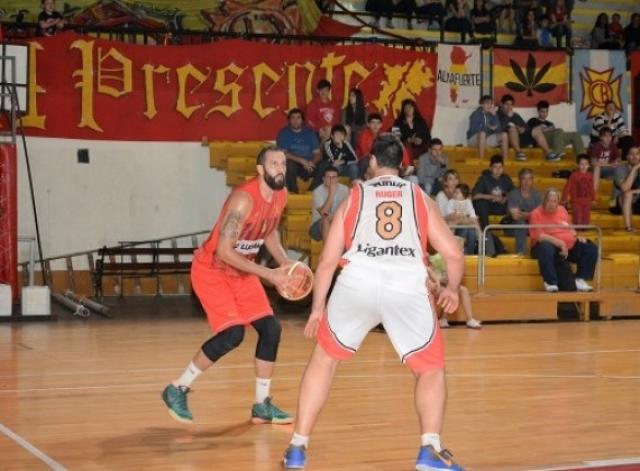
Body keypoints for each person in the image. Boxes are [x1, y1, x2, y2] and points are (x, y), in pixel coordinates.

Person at [282, 134, 466, 471]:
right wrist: (452, 288)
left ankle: (297, 447)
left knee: (324, 360)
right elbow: (453, 253)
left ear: (372, 162)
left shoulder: (356, 194)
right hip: (406, 285)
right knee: (429, 370)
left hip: (357, 282)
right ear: (403, 165)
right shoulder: (420, 196)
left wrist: (317, 309)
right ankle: (430, 449)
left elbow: (327, 261)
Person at [161, 146, 294, 425]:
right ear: (260, 169)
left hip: (241, 271)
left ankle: (261, 405)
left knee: (271, 329)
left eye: (283, 163)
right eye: (273, 164)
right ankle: (178, 388)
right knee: (233, 334)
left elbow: (269, 230)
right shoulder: (243, 200)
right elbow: (223, 251)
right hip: (213, 269)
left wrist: (283, 262)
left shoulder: (281, 195)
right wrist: (269, 274)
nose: (280, 168)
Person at [529, 189, 597, 292]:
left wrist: (576, 236)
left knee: (590, 248)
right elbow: (539, 236)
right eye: (549, 200)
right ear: (544, 201)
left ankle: (580, 279)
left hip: (567, 247)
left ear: (558, 202)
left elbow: (569, 226)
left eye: (554, 201)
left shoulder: (562, 210)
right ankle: (550, 282)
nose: (551, 204)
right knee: (545, 246)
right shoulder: (535, 213)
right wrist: (560, 243)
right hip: (546, 246)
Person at [428, 252, 482, 329]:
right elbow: (429, 275)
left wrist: (450, 280)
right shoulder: (433, 258)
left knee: (463, 289)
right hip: (432, 286)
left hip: (443, 285)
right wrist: (440, 280)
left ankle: (470, 319)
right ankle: (443, 319)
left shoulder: (452, 259)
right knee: (449, 291)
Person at [497, 95, 558, 161]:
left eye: (511, 104)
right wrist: (508, 117)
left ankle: (548, 153)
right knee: (512, 128)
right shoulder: (497, 114)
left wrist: (523, 129)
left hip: (519, 139)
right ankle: (518, 152)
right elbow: (498, 129)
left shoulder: (515, 115)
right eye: (507, 104)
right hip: (506, 141)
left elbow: (526, 127)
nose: (509, 107)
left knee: (536, 130)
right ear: (501, 104)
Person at [276, 108, 321, 193]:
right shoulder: (283, 133)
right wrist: (301, 161)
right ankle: (294, 193)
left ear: (302, 120)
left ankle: (310, 192)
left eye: (298, 118)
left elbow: (318, 153)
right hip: (294, 165)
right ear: (289, 120)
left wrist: (312, 163)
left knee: (326, 166)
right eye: (293, 118)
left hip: (309, 165)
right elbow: (283, 153)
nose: (295, 120)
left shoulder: (310, 133)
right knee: (289, 164)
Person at [437, 170, 478, 255]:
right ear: (445, 182)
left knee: (471, 230)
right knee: (467, 228)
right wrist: (460, 218)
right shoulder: (441, 196)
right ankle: (461, 254)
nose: (454, 181)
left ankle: (470, 256)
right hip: (447, 228)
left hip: (461, 225)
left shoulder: (464, 196)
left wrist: (462, 218)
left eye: (456, 178)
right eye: (450, 179)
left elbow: (470, 216)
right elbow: (442, 218)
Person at [505, 168, 543, 255]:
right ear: (520, 180)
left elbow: (540, 216)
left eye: (529, 179)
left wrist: (526, 215)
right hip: (512, 226)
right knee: (521, 224)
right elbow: (515, 216)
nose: (526, 182)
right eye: (524, 178)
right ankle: (520, 254)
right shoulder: (513, 194)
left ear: (532, 180)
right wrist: (531, 215)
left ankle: (538, 254)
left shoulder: (537, 195)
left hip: (532, 226)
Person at [472, 154, 515, 229]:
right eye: (495, 167)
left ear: (503, 168)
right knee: (480, 203)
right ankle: (486, 230)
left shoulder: (506, 178)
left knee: (514, 200)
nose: (498, 170)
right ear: (490, 168)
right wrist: (492, 197)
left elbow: (514, 193)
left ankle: (508, 223)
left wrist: (505, 198)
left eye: (500, 167)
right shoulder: (484, 178)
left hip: (502, 206)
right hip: (488, 207)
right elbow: (475, 196)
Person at [309, 166, 350, 242]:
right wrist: (331, 193)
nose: (331, 180)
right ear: (323, 179)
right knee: (326, 219)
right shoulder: (317, 192)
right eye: (328, 177)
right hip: (318, 226)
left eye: (334, 177)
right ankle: (328, 248)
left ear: (338, 179)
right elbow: (324, 213)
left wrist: (335, 217)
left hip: (338, 222)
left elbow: (348, 210)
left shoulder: (345, 190)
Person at [610, 146, 640, 232]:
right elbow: (625, 188)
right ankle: (629, 227)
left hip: (636, 201)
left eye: (637, 154)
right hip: (616, 203)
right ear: (627, 157)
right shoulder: (620, 168)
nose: (634, 156)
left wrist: (633, 191)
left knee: (629, 193)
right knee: (627, 194)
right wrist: (634, 169)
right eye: (631, 154)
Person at [467, 95, 505, 160]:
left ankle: (505, 160)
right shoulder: (476, 114)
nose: (489, 105)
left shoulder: (492, 114)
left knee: (504, 135)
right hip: (473, 139)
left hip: (486, 139)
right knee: (482, 134)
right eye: (487, 103)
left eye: (491, 103)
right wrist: (488, 128)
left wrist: (494, 116)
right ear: (481, 105)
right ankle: (481, 160)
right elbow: (474, 130)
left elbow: (499, 130)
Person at [561, 155, 596, 225]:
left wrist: (593, 198)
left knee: (586, 219)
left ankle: (584, 230)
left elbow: (591, 187)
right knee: (577, 219)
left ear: (589, 165)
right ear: (578, 165)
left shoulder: (590, 175)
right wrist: (564, 198)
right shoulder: (574, 175)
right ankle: (577, 230)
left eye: (586, 164)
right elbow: (568, 186)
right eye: (581, 164)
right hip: (576, 202)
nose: (583, 166)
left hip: (587, 202)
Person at [590, 127, 621, 192]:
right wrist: (610, 164)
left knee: (620, 168)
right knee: (597, 167)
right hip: (595, 169)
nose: (608, 138)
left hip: (607, 169)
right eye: (605, 136)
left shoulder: (613, 145)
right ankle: (594, 192)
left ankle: (617, 194)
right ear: (601, 137)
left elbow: (618, 157)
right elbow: (593, 162)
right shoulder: (597, 146)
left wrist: (616, 161)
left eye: (610, 136)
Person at [356, 113, 384, 178]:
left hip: (377, 159)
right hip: (364, 160)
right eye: (373, 122)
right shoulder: (363, 135)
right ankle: (362, 180)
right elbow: (364, 152)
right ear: (368, 124)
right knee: (366, 161)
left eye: (378, 123)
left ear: (381, 125)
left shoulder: (383, 136)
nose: (375, 125)